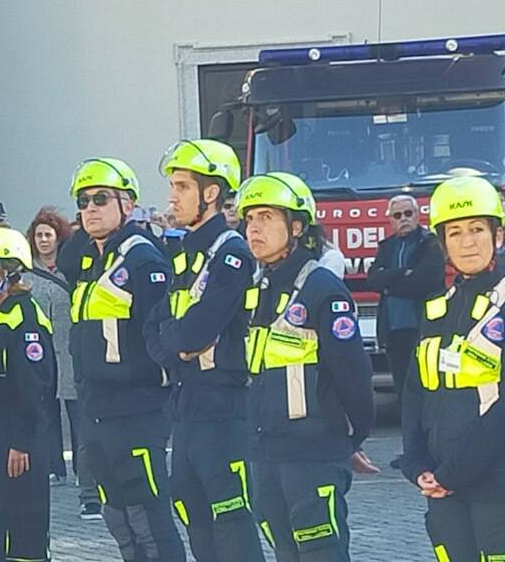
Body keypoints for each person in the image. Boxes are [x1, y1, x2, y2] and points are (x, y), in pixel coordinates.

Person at [237, 172, 377, 562]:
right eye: (249, 219)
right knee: (286, 551)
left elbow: (353, 373)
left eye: (266, 217)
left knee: (320, 552)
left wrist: (352, 436)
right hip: (267, 452)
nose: (254, 229)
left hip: (312, 453)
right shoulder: (260, 287)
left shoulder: (322, 288)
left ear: (296, 226)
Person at [147, 139, 266, 561]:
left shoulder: (231, 252)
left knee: (230, 521)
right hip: (186, 406)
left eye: (182, 187)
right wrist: (175, 348)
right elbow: (153, 327)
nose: (171, 197)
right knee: (191, 510)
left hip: (224, 408)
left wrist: (179, 341)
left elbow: (195, 330)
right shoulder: (185, 254)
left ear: (210, 193)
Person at [64, 158, 186, 562]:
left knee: (147, 515)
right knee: (116, 514)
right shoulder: (91, 259)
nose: (90, 208)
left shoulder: (142, 260)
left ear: (128, 205)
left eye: (101, 198)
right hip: (96, 407)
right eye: (83, 201)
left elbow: (159, 337)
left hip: (136, 408)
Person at [399, 175, 505, 561]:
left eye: (477, 229)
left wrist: (450, 474)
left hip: (496, 489)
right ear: (443, 244)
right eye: (455, 232)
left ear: (497, 235)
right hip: (444, 489)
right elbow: (415, 390)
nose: (467, 241)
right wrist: (416, 463)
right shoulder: (437, 308)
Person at [0, 227, 55, 562]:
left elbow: (35, 389)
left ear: (6, 272)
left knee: (24, 524)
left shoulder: (25, 319)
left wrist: (22, 440)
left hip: (16, 433)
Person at [26, 208, 101, 515]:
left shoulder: (71, 269)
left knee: (77, 415)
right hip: (41, 353)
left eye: (48, 234)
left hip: (70, 351)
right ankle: (54, 466)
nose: (44, 240)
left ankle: (87, 481)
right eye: (39, 235)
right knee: (45, 414)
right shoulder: (26, 273)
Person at [369, 195, 445, 411]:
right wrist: (402, 273)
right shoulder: (387, 246)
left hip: (423, 327)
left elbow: (425, 281)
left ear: (417, 215)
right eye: (397, 215)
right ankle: (409, 432)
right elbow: (373, 279)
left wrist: (390, 284)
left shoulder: (430, 243)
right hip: (393, 330)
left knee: (427, 385)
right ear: (391, 220)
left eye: (408, 213)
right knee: (403, 386)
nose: (404, 219)